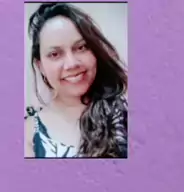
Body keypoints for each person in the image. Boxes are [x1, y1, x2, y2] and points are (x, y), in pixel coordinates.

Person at [25, 3, 128, 158]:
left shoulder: (123, 113)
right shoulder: (27, 133)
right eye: (55, 54)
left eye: (81, 47)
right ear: (41, 66)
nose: (72, 64)